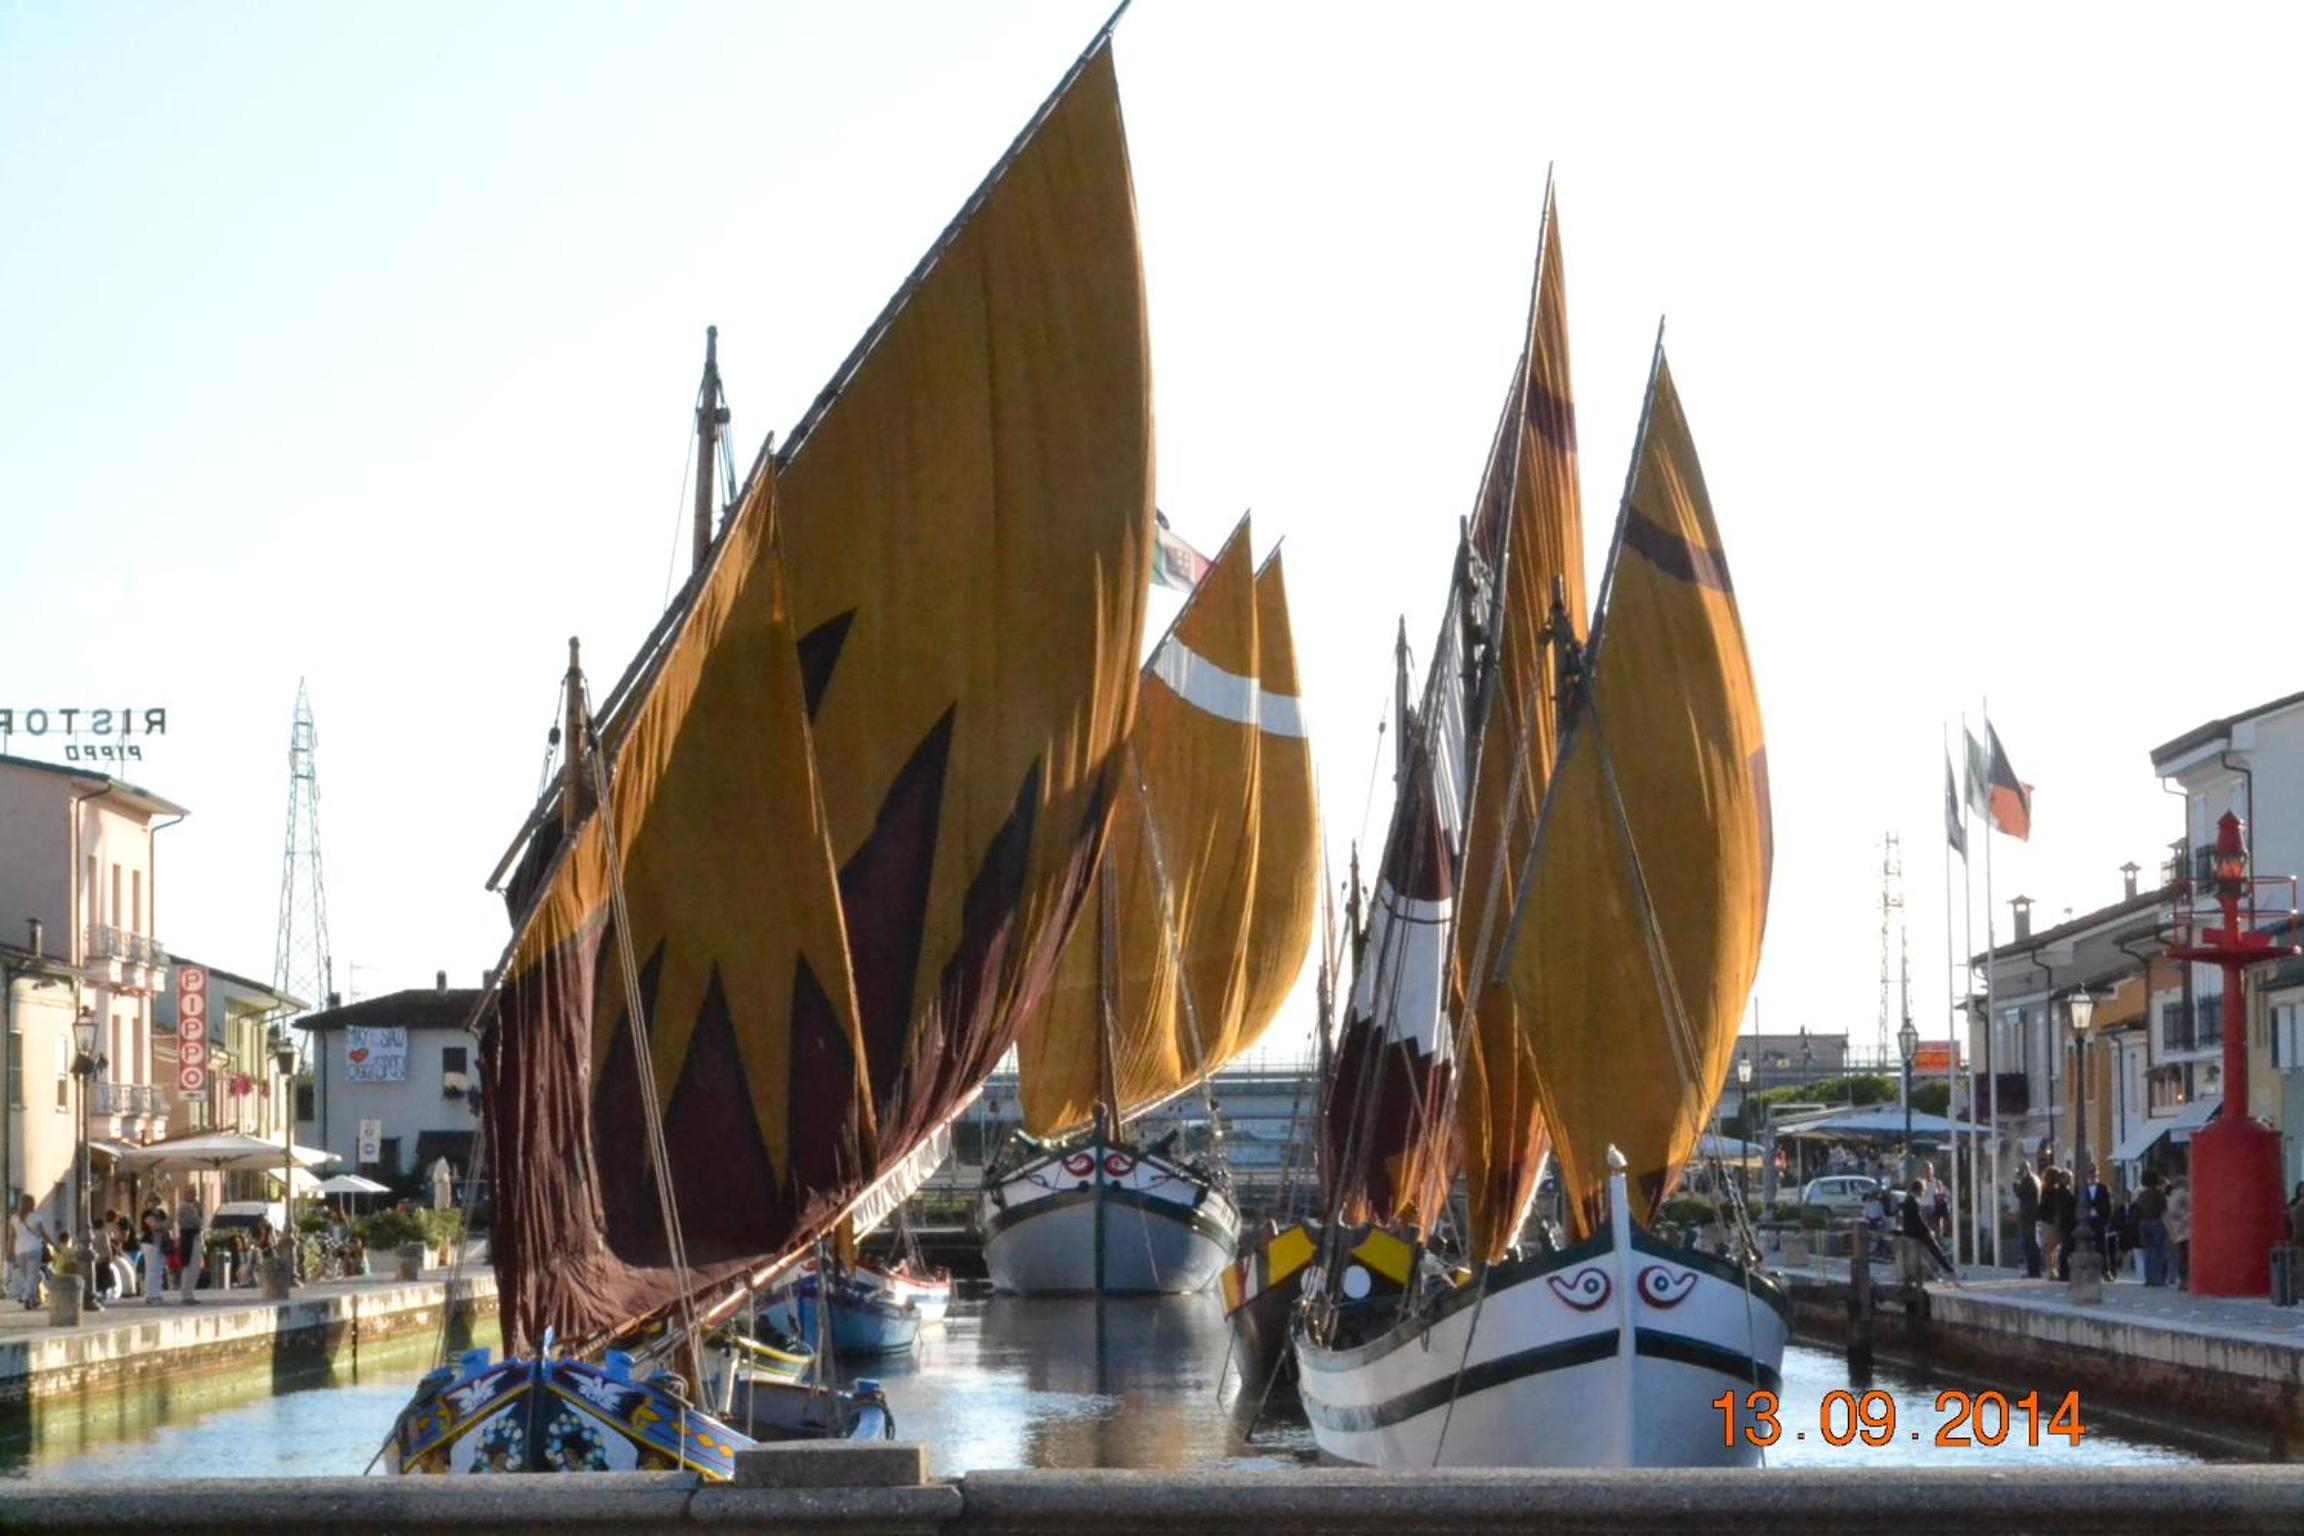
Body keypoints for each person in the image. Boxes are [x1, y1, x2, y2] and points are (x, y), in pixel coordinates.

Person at [1898, 1179, 1958, 1279]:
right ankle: (1949, 1271)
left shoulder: (1907, 1200)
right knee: (1935, 1249)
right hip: (1917, 1232)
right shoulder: (1913, 1202)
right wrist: (1928, 1230)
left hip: (1909, 1231)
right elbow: (1918, 1220)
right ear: (1919, 1190)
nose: (1923, 1193)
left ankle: (1939, 1271)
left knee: (1928, 1251)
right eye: (1923, 1191)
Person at [2132, 1170, 2170, 1286]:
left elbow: (2137, 1210)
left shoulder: (2141, 1196)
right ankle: (2159, 1279)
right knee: (2159, 1252)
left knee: (2148, 1252)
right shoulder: (2159, 1195)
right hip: (2157, 1223)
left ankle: (2149, 1278)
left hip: (2144, 1223)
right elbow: (2164, 1211)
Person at [8, 1195, 46, 1309]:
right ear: (32, 1204)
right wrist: (54, 1245)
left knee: (28, 1278)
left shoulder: (14, 1218)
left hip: (20, 1252)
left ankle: (31, 1302)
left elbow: (11, 1237)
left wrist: (9, 1252)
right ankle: (25, 1297)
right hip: (34, 1250)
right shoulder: (36, 1218)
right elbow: (44, 1234)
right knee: (32, 1278)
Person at [175, 1190, 205, 1305]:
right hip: (189, 1239)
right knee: (190, 1268)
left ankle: (189, 1293)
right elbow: (197, 1222)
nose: (195, 1196)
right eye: (192, 1194)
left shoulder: (192, 1208)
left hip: (194, 1239)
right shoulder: (185, 1208)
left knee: (195, 1268)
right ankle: (186, 1295)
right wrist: (198, 1212)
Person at [2014, 1163, 2043, 1277]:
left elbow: (2019, 1193)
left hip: (2028, 1215)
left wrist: (2016, 1183)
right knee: (2033, 1242)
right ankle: (2035, 1270)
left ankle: (2033, 1271)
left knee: (2029, 1243)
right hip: (2033, 1214)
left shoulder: (2027, 1180)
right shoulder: (2035, 1178)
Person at [139, 1201, 169, 1303]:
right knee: (151, 1269)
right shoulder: (147, 1213)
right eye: (151, 1201)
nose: (154, 1204)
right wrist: (163, 1225)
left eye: (156, 1201)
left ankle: (156, 1293)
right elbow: (154, 1226)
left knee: (159, 1269)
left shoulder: (161, 1213)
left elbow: (167, 1225)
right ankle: (150, 1295)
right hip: (149, 1243)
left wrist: (163, 1225)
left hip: (161, 1243)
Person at [2166, 1177, 2192, 1289]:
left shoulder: (2172, 1196)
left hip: (2177, 1230)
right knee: (2186, 1257)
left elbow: (2170, 1212)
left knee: (2181, 1256)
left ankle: (2183, 1281)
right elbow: (2175, 1211)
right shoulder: (2182, 1194)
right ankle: (2186, 1281)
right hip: (2185, 1230)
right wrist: (2187, 1216)